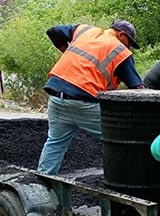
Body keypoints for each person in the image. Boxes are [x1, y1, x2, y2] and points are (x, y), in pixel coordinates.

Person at [37, 20, 144, 175]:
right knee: (120, 139)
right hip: (84, 104)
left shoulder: (85, 30)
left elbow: (53, 31)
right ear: (121, 34)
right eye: (129, 43)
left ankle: (42, 181)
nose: (129, 47)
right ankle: (126, 178)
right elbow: (138, 89)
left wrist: (65, 50)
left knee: (55, 142)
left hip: (56, 98)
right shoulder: (120, 51)